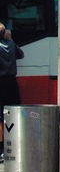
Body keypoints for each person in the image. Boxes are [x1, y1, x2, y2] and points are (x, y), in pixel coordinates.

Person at [0, 23, 24, 163]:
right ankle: (13, 144)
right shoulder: (11, 43)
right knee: (13, 112)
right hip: (12, 83)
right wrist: (10, 39)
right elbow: (21, 54)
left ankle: (1, 149)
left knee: (0, 117)